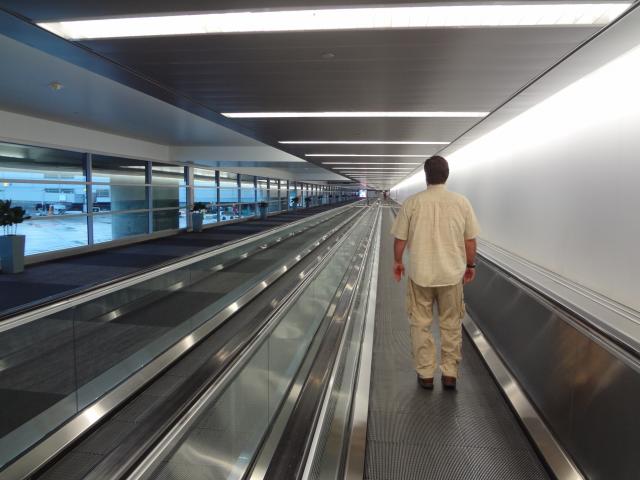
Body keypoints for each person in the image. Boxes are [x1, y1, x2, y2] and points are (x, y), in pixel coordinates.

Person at [391, 156, 480, 390]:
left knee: (420, 324)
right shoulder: (461, 203)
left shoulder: (412, 203)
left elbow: (400, 239)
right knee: (451, 324)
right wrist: (470, 266)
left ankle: (426, 374)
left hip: (420, 275)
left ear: (426, 176)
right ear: (446, 175)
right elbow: (470, 240)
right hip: (451, 276)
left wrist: (398, 262)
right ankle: (449, 374)